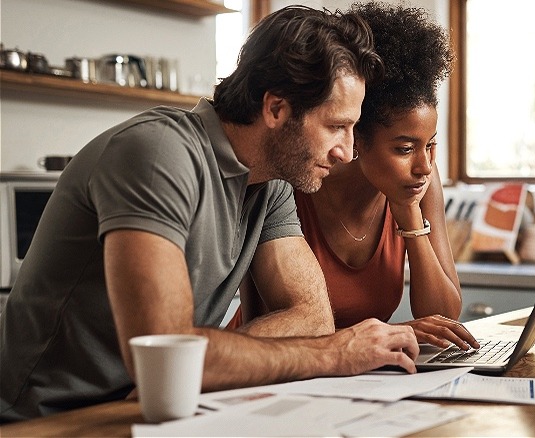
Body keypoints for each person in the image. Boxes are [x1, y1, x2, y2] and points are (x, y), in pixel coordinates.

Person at [0, 5, 420, 423]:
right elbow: (166, 352)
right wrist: (334, 353)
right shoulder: (158, 154)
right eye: (335, 127)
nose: (346, 152)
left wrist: (202, 360)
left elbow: (311, 317)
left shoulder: (271, 182)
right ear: (276, 109)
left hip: (158, 409)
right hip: (48, 420)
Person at [231, 2, 479, 352]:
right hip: (272, 364)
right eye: (405, 149)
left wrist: (408, 213)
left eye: (431, 145)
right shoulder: (296, 178)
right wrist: (392, 333)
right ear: (356, 137)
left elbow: (444, 317)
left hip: (358, 371)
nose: (424, 166)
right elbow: (273, 321)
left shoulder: (418, 183)